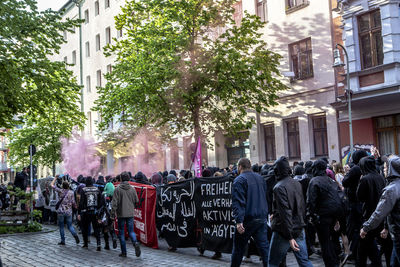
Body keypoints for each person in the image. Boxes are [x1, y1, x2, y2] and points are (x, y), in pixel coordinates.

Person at [268, 156, 313, 267]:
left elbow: (285, 213)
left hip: (284, 231)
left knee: (273, 263)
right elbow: (300, 207)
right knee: (304, 261)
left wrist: (289, 236)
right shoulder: (296, 183)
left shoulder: (278, 187)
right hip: (298, 227)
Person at [360, 155, 400, 267]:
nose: (384, 169)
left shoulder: (392, 189)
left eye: (386, 167)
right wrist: (386, 228)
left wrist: (366, 227)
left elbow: (380, 212)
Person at [231, 158, 269, 267]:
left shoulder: (239, 180)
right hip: (261, 217)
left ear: (240, 167)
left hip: (248, 219)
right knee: (264, 249)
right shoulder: (260, 178)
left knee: (238, 249)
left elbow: (238, 202)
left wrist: (239, 221)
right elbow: (266, 197)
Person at [307, 159, 343, 267]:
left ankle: (332, 264)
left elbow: (311, 201)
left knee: (325, 243)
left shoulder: (314, 181)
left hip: (322, 217)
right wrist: (337, 218)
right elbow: (338, 198)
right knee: (330, 241)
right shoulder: (330, 180)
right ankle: (335, 261)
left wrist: (311, 216)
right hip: (333, 215)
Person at [356, 155, 385, 267]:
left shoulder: (365, 179)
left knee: (363, 245)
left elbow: (360, 197)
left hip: (368, 215)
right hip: (380, 215)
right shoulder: (380, 177)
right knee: (369, 245)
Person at [111, 171, 141, 258]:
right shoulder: (132, 189)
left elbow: (114, 203)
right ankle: (135, 242)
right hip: (130, 213)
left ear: (120, 179)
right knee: (131, 231)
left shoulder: (117, 189)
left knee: (121, 233)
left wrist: (112, 214)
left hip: (121, 214)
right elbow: (136, 201)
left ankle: (124, 252)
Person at [50, 177, 80, 245]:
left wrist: (55, 178)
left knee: (61, 226)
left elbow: (51, 185)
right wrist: (76, 207)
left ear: (62, 186)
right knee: (70, 226)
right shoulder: (71, 193)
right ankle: (75, 234)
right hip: (69, 211)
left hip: (61, 211)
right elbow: (73, 202)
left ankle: (63, 241)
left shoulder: (60, 191)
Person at [78, 176, 104, 251]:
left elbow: (81, 202)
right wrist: (99, 212)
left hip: (86, 212)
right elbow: (100, 202)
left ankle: (85, 243)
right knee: (96, 228)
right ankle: (98, 243)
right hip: (95, 212)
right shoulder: (97, 190)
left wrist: (79, 212)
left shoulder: (83, 190)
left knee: (85, 228)